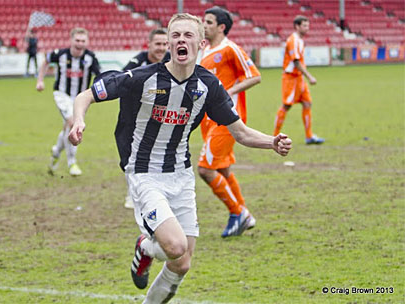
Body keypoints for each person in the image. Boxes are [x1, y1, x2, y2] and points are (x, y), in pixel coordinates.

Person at [68, 13, 292, 303]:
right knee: (174, 246)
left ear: (200, 44)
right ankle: (146, 248)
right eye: (176, 36)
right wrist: (78, 121)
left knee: (182, 263)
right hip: (144, 172)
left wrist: (272, 142)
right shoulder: (143, 77)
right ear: (170, 44)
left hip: (181, 175)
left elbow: (240, 132)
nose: (181, 40)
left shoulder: (207, 86)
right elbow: (85, 96)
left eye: (188, 35)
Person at [197, 6, 262, 238]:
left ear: (221, 27)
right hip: (208, 120)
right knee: (222, 168)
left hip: (227, 119)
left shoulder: (230, 48)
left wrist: (228, 91)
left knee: (205, 169)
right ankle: (244, 212)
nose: (204, 25)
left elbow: (255, 75)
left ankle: (238, 213)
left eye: (209, 22)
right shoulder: (204, 51)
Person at [36, 27, 100, 176]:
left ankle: (56, 152)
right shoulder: (61, 54)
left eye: (83, 41)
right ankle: (72, 162)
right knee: (73, 123)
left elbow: (99, 75)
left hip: (81, 98)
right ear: (71, 40)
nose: (80, 43)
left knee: (69, 127)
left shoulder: (91, 57)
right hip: (62, 94)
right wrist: (40, 80)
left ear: (87, 42)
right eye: (77, 40)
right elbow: (46, 60)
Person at [121, 28, 169, 209]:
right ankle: (132, 193)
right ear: (148, 44)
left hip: (161, 117)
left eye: (165, 44)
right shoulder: (137, 62)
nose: (162, 48)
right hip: (135, 117)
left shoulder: (172, 61)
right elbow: (122, 81)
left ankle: (160, 192)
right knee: (133, 155)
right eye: (158, 44)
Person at [273, 15, 325, 145]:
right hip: (291, 78)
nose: (307, 28)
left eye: (308, 25)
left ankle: (309, 136)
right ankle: (273, 136)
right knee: (286, 106)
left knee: (307, 103)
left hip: (299, 78)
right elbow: (296, 61)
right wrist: (310, 76)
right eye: (305, 25)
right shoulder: (293, 40)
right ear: (297, 26)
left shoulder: (300, 40)